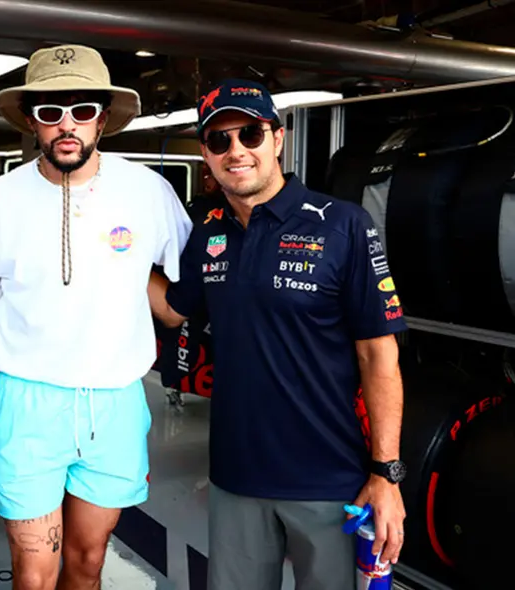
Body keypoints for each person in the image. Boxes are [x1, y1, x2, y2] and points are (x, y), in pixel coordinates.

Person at [148, 79, 408, 590]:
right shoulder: (210, 234)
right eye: (219, 141)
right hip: (235, 479)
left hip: (329, 483)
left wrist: (387, 473)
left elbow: (380, 356)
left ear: (278, 138)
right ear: (205, 154)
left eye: (249, 134)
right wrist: (120, 251)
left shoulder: (344, 226)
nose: (236, 150)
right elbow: (174, 312)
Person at [0, 45, 193, 590]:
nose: (67, 125)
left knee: (88, 562)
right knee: (34, 572)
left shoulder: (149, 192)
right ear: (32, 121)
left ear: (103, 119)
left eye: (83, 110)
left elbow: (183, 283)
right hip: (28, 401)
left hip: (114, 402)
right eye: (50, 112)